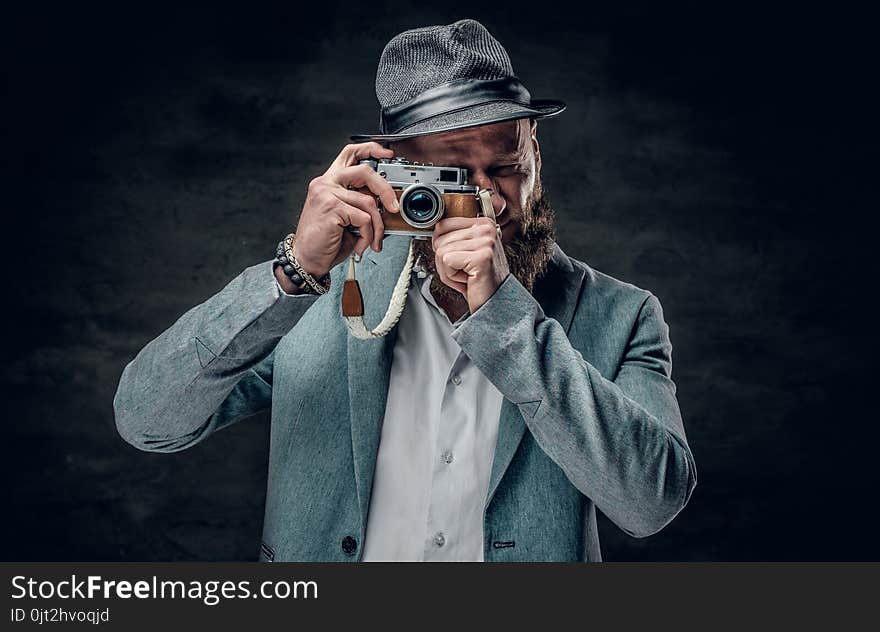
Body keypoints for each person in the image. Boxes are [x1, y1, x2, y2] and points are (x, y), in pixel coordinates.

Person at [113, 19, 697, 562]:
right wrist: (292, 275)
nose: (488, 203)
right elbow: (147, 421)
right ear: (391, 172)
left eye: (506, 168)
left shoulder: (623, 315)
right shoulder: (323, 299)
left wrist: (504, 322)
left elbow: (651, 504)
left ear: (535, 153)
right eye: (452, 179)